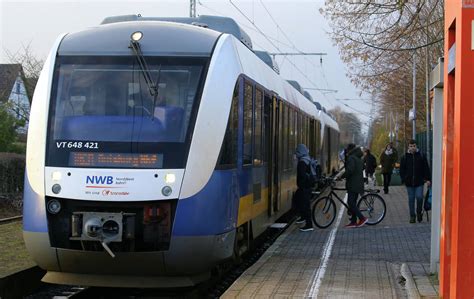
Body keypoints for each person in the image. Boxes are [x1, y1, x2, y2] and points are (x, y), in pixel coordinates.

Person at [399, 139, 431, 223]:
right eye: (410, 146)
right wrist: (403, 179)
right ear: (408, 147)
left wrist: (428, 179)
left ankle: (419, 212)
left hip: (419, 181)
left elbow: (426, 168)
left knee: (420, 197)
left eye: (414, 146)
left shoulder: (421, 155)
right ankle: (412, 216)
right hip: (409, 182)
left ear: (416, 146)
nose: (412, 148)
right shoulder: (405, 156)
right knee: (411, 199)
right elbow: (402, 169)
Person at [343, 144, 368, 228]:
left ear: (349, 150)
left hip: (353, 184)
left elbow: (350, 170)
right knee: (353, 203)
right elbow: (363, 167)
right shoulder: (358, 157)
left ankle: (362, 218)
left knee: (351, 202)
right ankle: (353, 221)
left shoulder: (351, 158)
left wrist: (341, 176)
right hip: (358, 183)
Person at [295, 144, 314, 232]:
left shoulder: (302, 162)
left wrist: (301, 186)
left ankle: (309, 225)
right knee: (302, 203)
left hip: (305, 187)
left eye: (297, 151)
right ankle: (303, 218)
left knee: (305, 205)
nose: (296, 153)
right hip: (307, 186)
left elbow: (302, 175)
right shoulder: (307, 159)